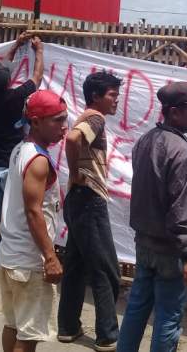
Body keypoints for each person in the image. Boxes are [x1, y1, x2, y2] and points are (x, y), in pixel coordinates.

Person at [117, 82, 187, 352]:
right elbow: (181, 208)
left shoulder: (146, 140)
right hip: (170, 250)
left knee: (136, 309)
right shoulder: (180, 151)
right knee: (168, 318)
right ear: (174, 112)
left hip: (145, 244)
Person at [58, 71, 123, 351]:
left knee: (75, 265)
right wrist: (75, 172)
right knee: (106, 270)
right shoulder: (95, 118)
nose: (116, 100)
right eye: (112, 94)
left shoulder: (87, 115)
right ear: (96, 96)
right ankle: (107, 335)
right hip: (89, 199)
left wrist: (75, 175)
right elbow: (72, 140)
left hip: (77, 198)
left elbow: (74, 139)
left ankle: (68, 328)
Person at [0, 89, 67, 352]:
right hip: (29, 261)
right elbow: (33, 212)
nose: (63, 127)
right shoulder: (38, 160)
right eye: (56, 120)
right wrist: (50, 257)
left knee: (13, 325)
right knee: (28, 335)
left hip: (12, 256)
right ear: (36, 122)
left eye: (64, 119)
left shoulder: (21, 149)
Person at [0, 32, 44, 272]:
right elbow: (36, 77)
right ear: (8, 81)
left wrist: (15, 45)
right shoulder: (15, 97)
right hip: (10, 167)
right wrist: (40, 51)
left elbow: (2, 69)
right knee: (11, 217)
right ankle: (9, 260)